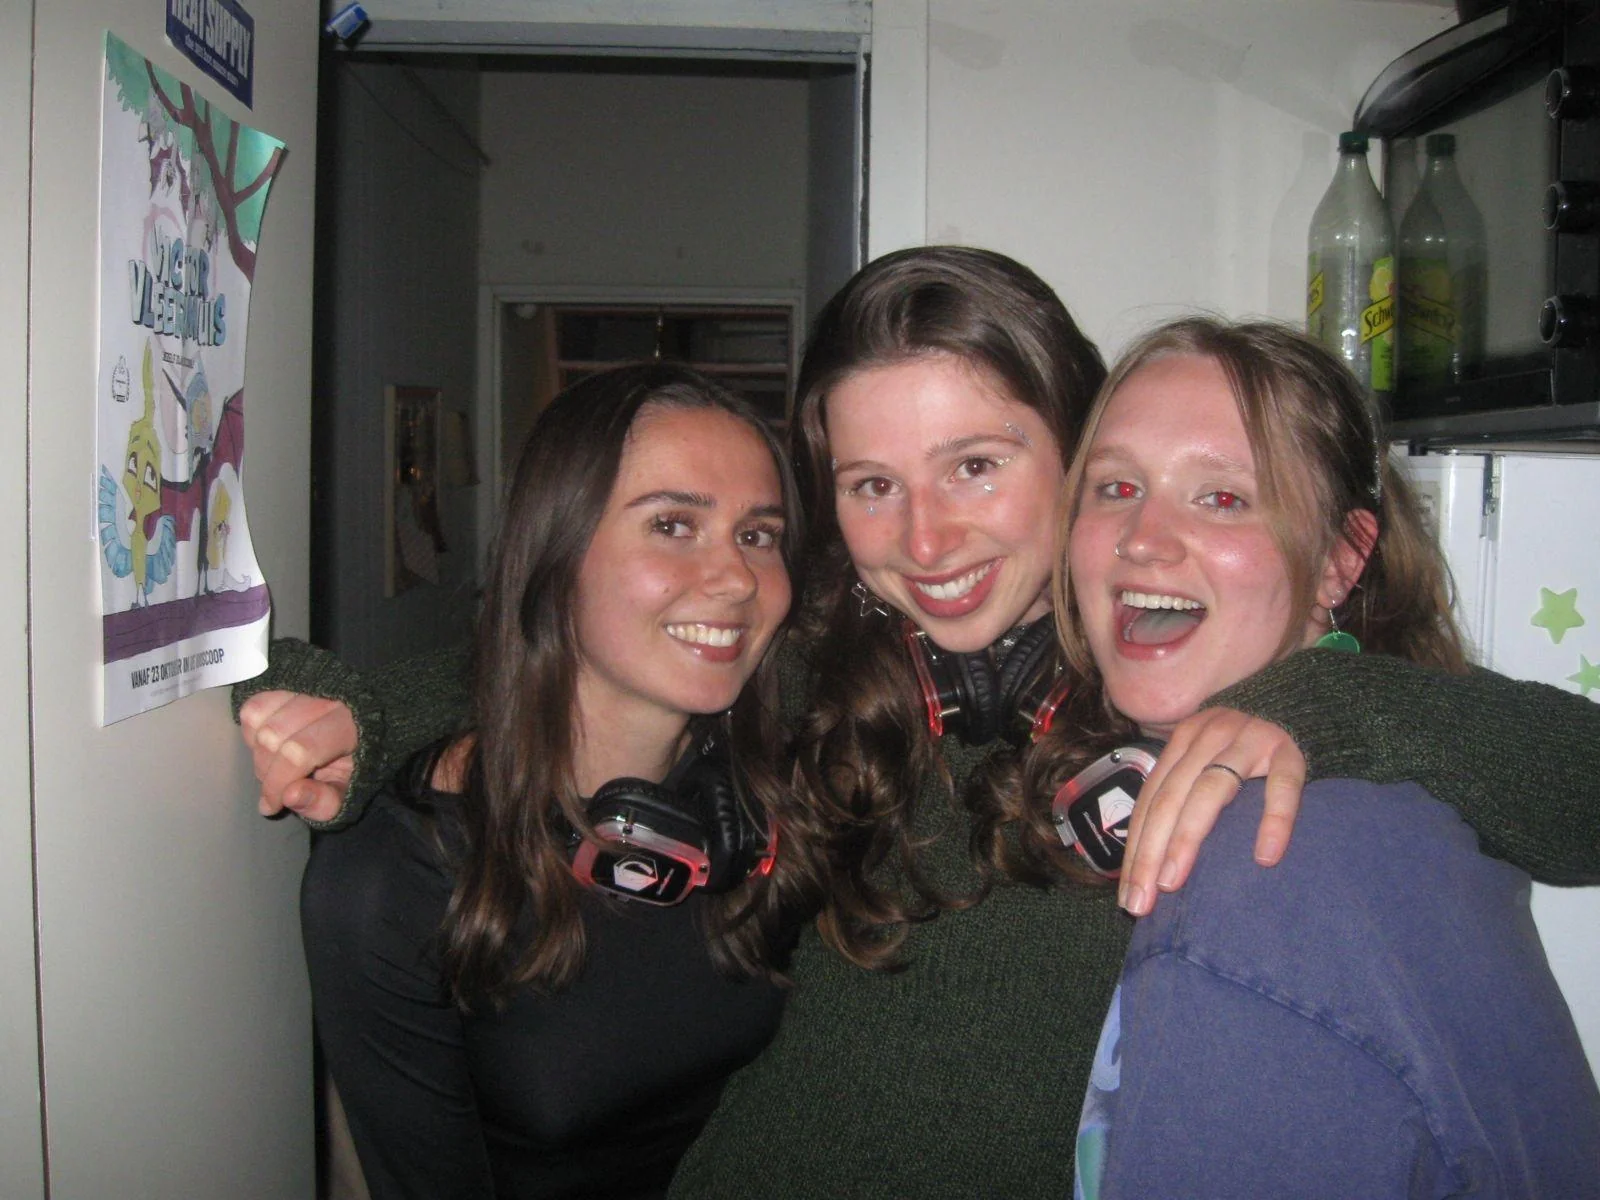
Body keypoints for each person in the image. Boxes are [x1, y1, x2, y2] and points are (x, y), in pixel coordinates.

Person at [241, 250, 1600, 1198]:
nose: (926, 541)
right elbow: (588, 649)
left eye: (975, 466)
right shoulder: (823, 669)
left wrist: (1324, 696)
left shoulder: (1205, 687)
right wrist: (363, 707)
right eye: (871, 485)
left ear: (1075, 456)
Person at [1054, 316, 1600, 1198]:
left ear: (1342, 560)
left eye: (1223, 498)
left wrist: (1329, 700)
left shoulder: (1264, 871)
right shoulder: (1389, 805)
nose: (1141, 538)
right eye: (1116, 487)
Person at [299, 362, 817, 1199]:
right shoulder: (396, 873)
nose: (737, 579)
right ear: (557, 551)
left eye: (758, 535)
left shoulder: (766, 802)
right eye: (673, 525)